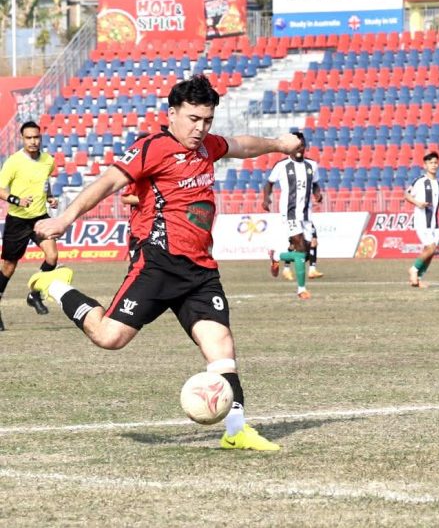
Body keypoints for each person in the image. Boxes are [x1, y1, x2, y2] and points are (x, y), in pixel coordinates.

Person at [28, 74, 301, 451]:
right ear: (172, 114)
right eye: (193, 119)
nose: (200, 128)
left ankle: (236, 429)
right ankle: (55, 284)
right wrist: (64, 219)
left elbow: (240, 145)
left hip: (200, 269)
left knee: (221, 345)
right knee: (109, 337)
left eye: (207, 120)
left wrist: (278, 144)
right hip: (157, 261)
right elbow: (108, 183)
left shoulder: (207, 146)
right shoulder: (152, 147)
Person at [0, 120, 60, 329]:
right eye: (29, 138)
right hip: (17, 220)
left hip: (40, 218)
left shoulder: (48, 160)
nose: (33, 141)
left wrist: (50, 197)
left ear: (40, 138)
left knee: (52, 257)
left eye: (36, 137)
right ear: (22, 139)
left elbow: (45, 181)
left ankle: (34, 294)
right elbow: (1, 189)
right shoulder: (13, 162)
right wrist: (17, 200)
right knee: (9, 266)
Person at [261, 131, 322, 299]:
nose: (300, 149)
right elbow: (269, 183)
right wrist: (266, 199)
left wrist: (317, 194)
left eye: (302, 146)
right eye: (297, 146)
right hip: (290, 214)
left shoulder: (312, 165)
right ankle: (301, 290)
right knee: (300, 247)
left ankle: (276, 256)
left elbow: (315, 184)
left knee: (305, 254)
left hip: (306, 215)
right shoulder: (282, 165)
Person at [404, 151, 439, 288]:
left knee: (431, 251)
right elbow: (407, 195)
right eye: (431, 163)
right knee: (430, 248)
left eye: (435, 163)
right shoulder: (420, 181)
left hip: (434, 223)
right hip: (422, 220)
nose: (433, 165)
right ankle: (413, 269)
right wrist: (418, 203)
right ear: (425, 165)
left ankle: (417, 279)